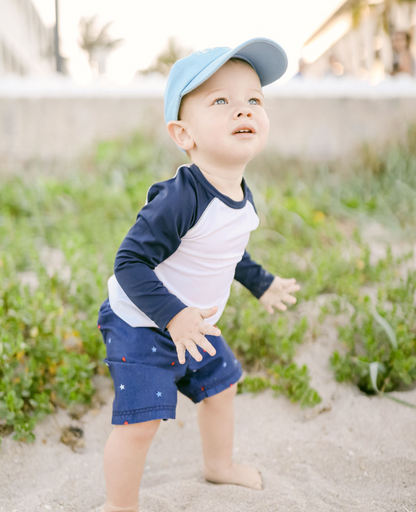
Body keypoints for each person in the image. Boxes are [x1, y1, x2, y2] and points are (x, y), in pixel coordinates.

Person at [92, 37, 301, 512]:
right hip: (142, 322)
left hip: (193, 324)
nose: (243, 110)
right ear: (184, 134)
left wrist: (263, 285)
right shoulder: (181, 197)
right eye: (221, 101)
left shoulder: (240, 194)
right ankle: (119, 506)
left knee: (221, 386)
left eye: (253, 100)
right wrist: (175, 317)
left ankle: (218, 466)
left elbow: (227, 253)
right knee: (139, 423)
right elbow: (128, 264)